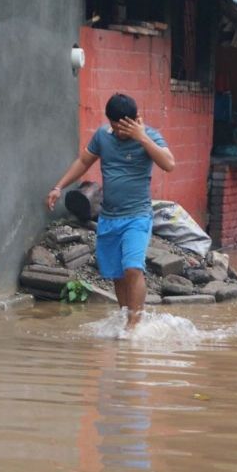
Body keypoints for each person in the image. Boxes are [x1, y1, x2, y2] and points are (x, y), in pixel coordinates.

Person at [46, 93, 175, 332]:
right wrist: (58, 187)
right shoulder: (103, 137)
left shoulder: (150, 136)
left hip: (137, 215)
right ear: (112, 122)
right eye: (117, 127)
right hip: (109, 218)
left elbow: (169, 164)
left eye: (126, 126)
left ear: (136, 119)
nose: (121, 132)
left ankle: (134, 324)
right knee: (117, 273)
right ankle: (125, 317)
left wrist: (142, 137)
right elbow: (84, 161)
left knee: (133, 267)